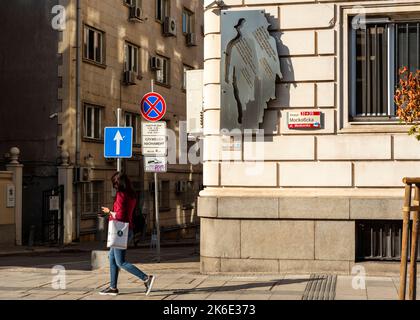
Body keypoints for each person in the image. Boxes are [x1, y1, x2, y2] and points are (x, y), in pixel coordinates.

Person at [99, 172, 155, 296]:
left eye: (114, 183)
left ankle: (146, 278)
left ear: (118, 184)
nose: (114, 186)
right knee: (112, 259)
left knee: (121, 262)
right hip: (127, 229)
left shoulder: (121, 195)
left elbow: (119, 215)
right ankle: (113, 287)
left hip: (119, 231)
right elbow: (126, 213)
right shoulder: (132, 195)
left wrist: (109, 212)